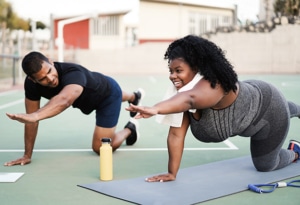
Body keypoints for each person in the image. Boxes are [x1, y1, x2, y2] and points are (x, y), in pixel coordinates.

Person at [126, 35, 300, 182]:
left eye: (178, 70)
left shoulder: (217, 84)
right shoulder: (179, 94)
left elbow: (191, 99)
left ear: (197, 68)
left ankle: (295, 152)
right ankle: (293, 109)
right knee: (282, 111)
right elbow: (176, 134)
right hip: (253, 103)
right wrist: (172, 173)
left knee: (266, 166)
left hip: (268, 110)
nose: (172, 76)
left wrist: (156, 108)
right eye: (170, 70)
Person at [5, 51, 144, 166]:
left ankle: (130, 129)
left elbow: (64, 100)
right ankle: (134, 97)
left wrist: (35, 115)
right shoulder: (31, 85)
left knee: (100, 148)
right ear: (32, 79)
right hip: (91, 95)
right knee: (113, 93)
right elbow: (31, 120)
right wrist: (27, 155)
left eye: (50, 71)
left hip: (107, 96)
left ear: (51, 61)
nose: (50, 79)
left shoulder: (73, 72)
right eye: (43, 79)